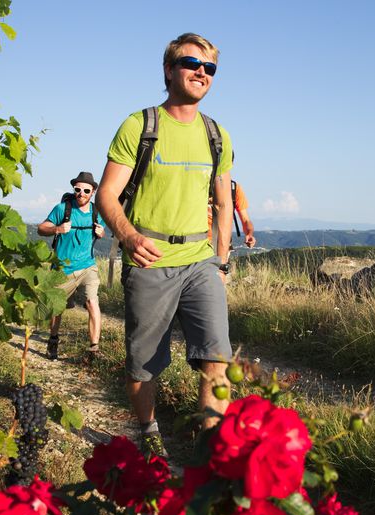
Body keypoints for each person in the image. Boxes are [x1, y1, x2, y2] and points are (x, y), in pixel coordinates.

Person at [96, 33, 234, 458]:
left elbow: (224, 202)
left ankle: (210, 454)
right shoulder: (140, 126)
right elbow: (106, 195)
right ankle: (149, 431)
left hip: (199, 262)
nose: (201, 73)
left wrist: (221, 263)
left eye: (209, 68)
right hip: (149, 259)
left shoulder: (217, 134)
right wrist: (129, 235)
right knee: (143, 364)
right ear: (169, 69)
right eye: (192, 63)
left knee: (217, 361)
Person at [37, 171, 106, 360]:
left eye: (86, 190)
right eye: (78, 189)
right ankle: (53, 340)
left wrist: (101, 233)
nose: (81, 193)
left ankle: (94, 348)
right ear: (74, 190)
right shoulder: (62, 209)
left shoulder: (96, 212)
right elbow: (41, 228)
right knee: (57, 308)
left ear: (93, 192)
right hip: (62, 269)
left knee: (93, 302)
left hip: (87, 266)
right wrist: (57, 229)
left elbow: (103, 231)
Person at [207, 179, 256, 250]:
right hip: (199, 243)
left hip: (223, 244)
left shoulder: (233, 189)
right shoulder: (196, 185)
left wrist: (249, 234)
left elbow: (246, 220)